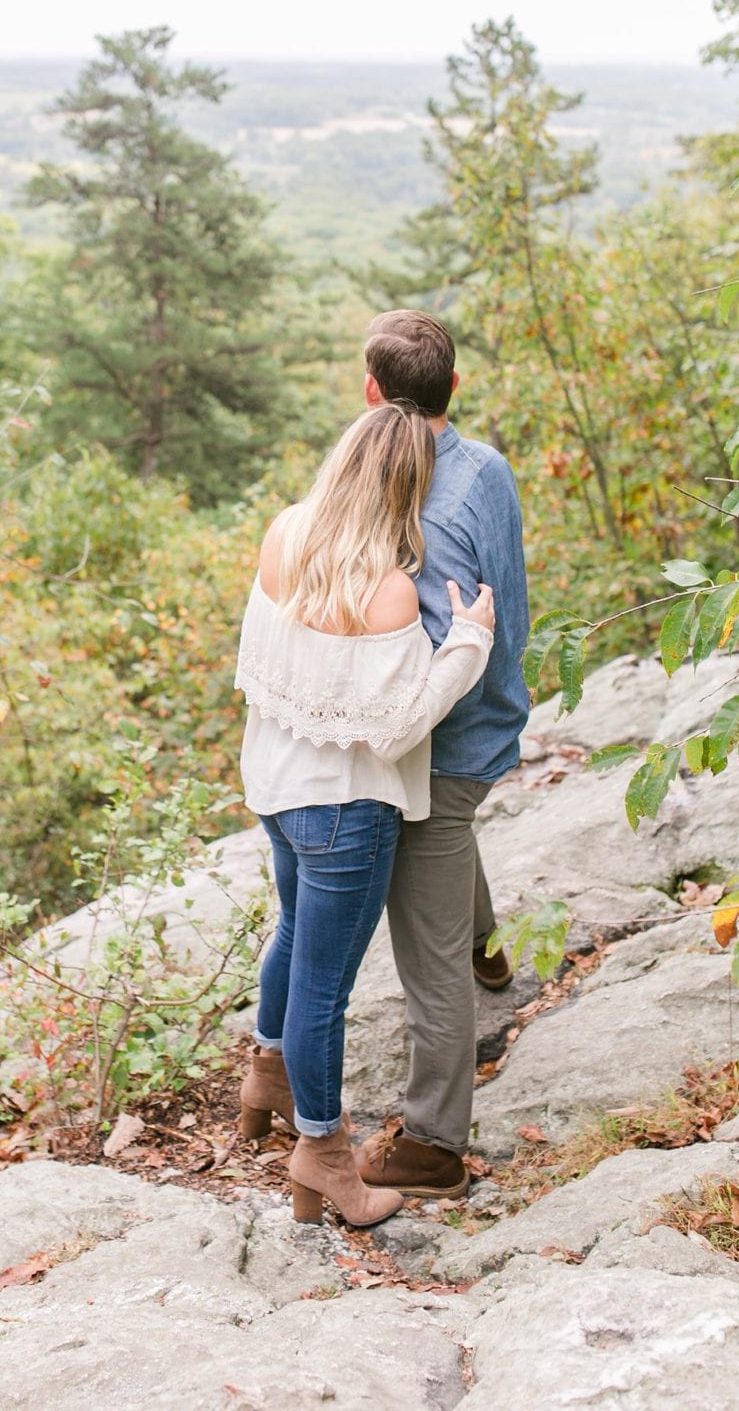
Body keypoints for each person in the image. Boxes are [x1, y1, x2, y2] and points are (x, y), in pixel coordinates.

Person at [233, 402, 496, 1227]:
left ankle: (265, 1076)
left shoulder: (285, 536)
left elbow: (262, 657)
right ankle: (325, 1156)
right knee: (323, 990)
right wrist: (467, 644)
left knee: (290, 934)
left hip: (276, 787)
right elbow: (394, 726)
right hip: (345, 810)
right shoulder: (384, 590)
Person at [353, 309, 531, 1200]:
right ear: (454, 389)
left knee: (424, 949)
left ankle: (434, 1142)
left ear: (372, 395)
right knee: (451, 845)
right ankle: (489, 949)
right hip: (494, 713)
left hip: (438, 740)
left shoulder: (393, 488)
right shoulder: (485, 467)